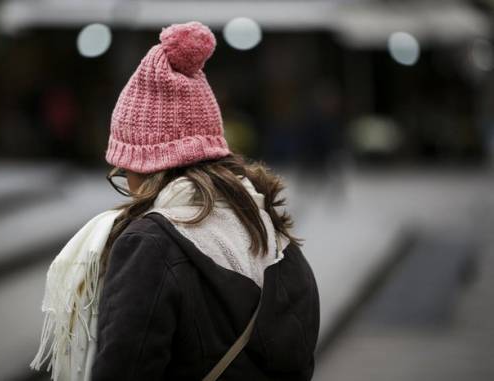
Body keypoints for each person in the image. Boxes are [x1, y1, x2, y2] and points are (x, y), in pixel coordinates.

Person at [31, 21, 319, 381]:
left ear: (145, 166)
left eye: (124, 171)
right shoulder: (275, 236)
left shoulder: (149, 246)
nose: (128, 185)